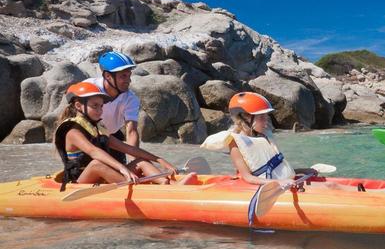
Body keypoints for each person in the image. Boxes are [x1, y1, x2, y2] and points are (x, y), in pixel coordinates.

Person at [54, 82, 191, 191]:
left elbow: (127, 148)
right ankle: (143, 190)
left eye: (101, 106)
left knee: (140, 161)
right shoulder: (72, 131)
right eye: (95, 106)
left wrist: (159, 159)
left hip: (102, 177)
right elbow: (94, 152)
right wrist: (122, 168)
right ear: (78, 106)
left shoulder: (97, 128)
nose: (100, 110)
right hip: (79, 182)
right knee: (97, 164)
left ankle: (170, 185)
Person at [201, 92, 314, 185]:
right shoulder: (235, 143)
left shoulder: (263, 137)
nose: (266, 122)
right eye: (261, 117)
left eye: (266, 117)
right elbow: (248, 177)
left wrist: (301, 171)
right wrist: (279, 182)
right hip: (256, 187)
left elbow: (276, 169)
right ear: (245, 118)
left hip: (279, 182)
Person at [86, 51, 140, 164]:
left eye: (129, 75)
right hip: (88, 138)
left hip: (113, 137)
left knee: (127, 166)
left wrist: (134, 161)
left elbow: (131, 131)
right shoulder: (89, 88)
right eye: (123, 76)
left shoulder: (131, 99)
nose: (129, 80)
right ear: (108, 76)